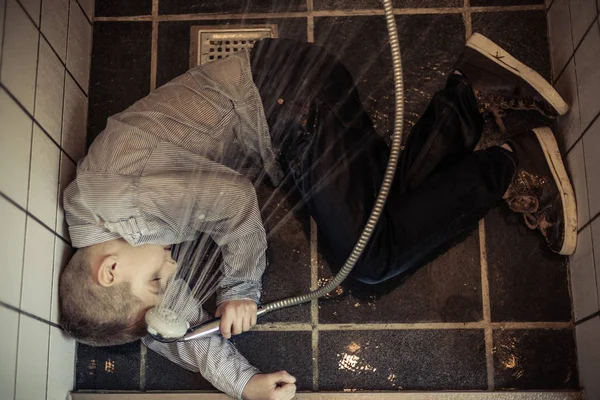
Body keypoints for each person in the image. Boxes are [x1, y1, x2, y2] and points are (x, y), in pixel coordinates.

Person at [59, 33, 576, 400]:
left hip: (292, 101)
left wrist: (241, 288)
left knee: (369, 258)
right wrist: (242, 384)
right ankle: (470, 94)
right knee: (382, 213)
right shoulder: (110, 242)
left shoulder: (118, 193)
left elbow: (235, 201)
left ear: (108, 270)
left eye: (156, 279)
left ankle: (510, 166)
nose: (172, 273)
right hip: (293, 111)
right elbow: (172, 330)